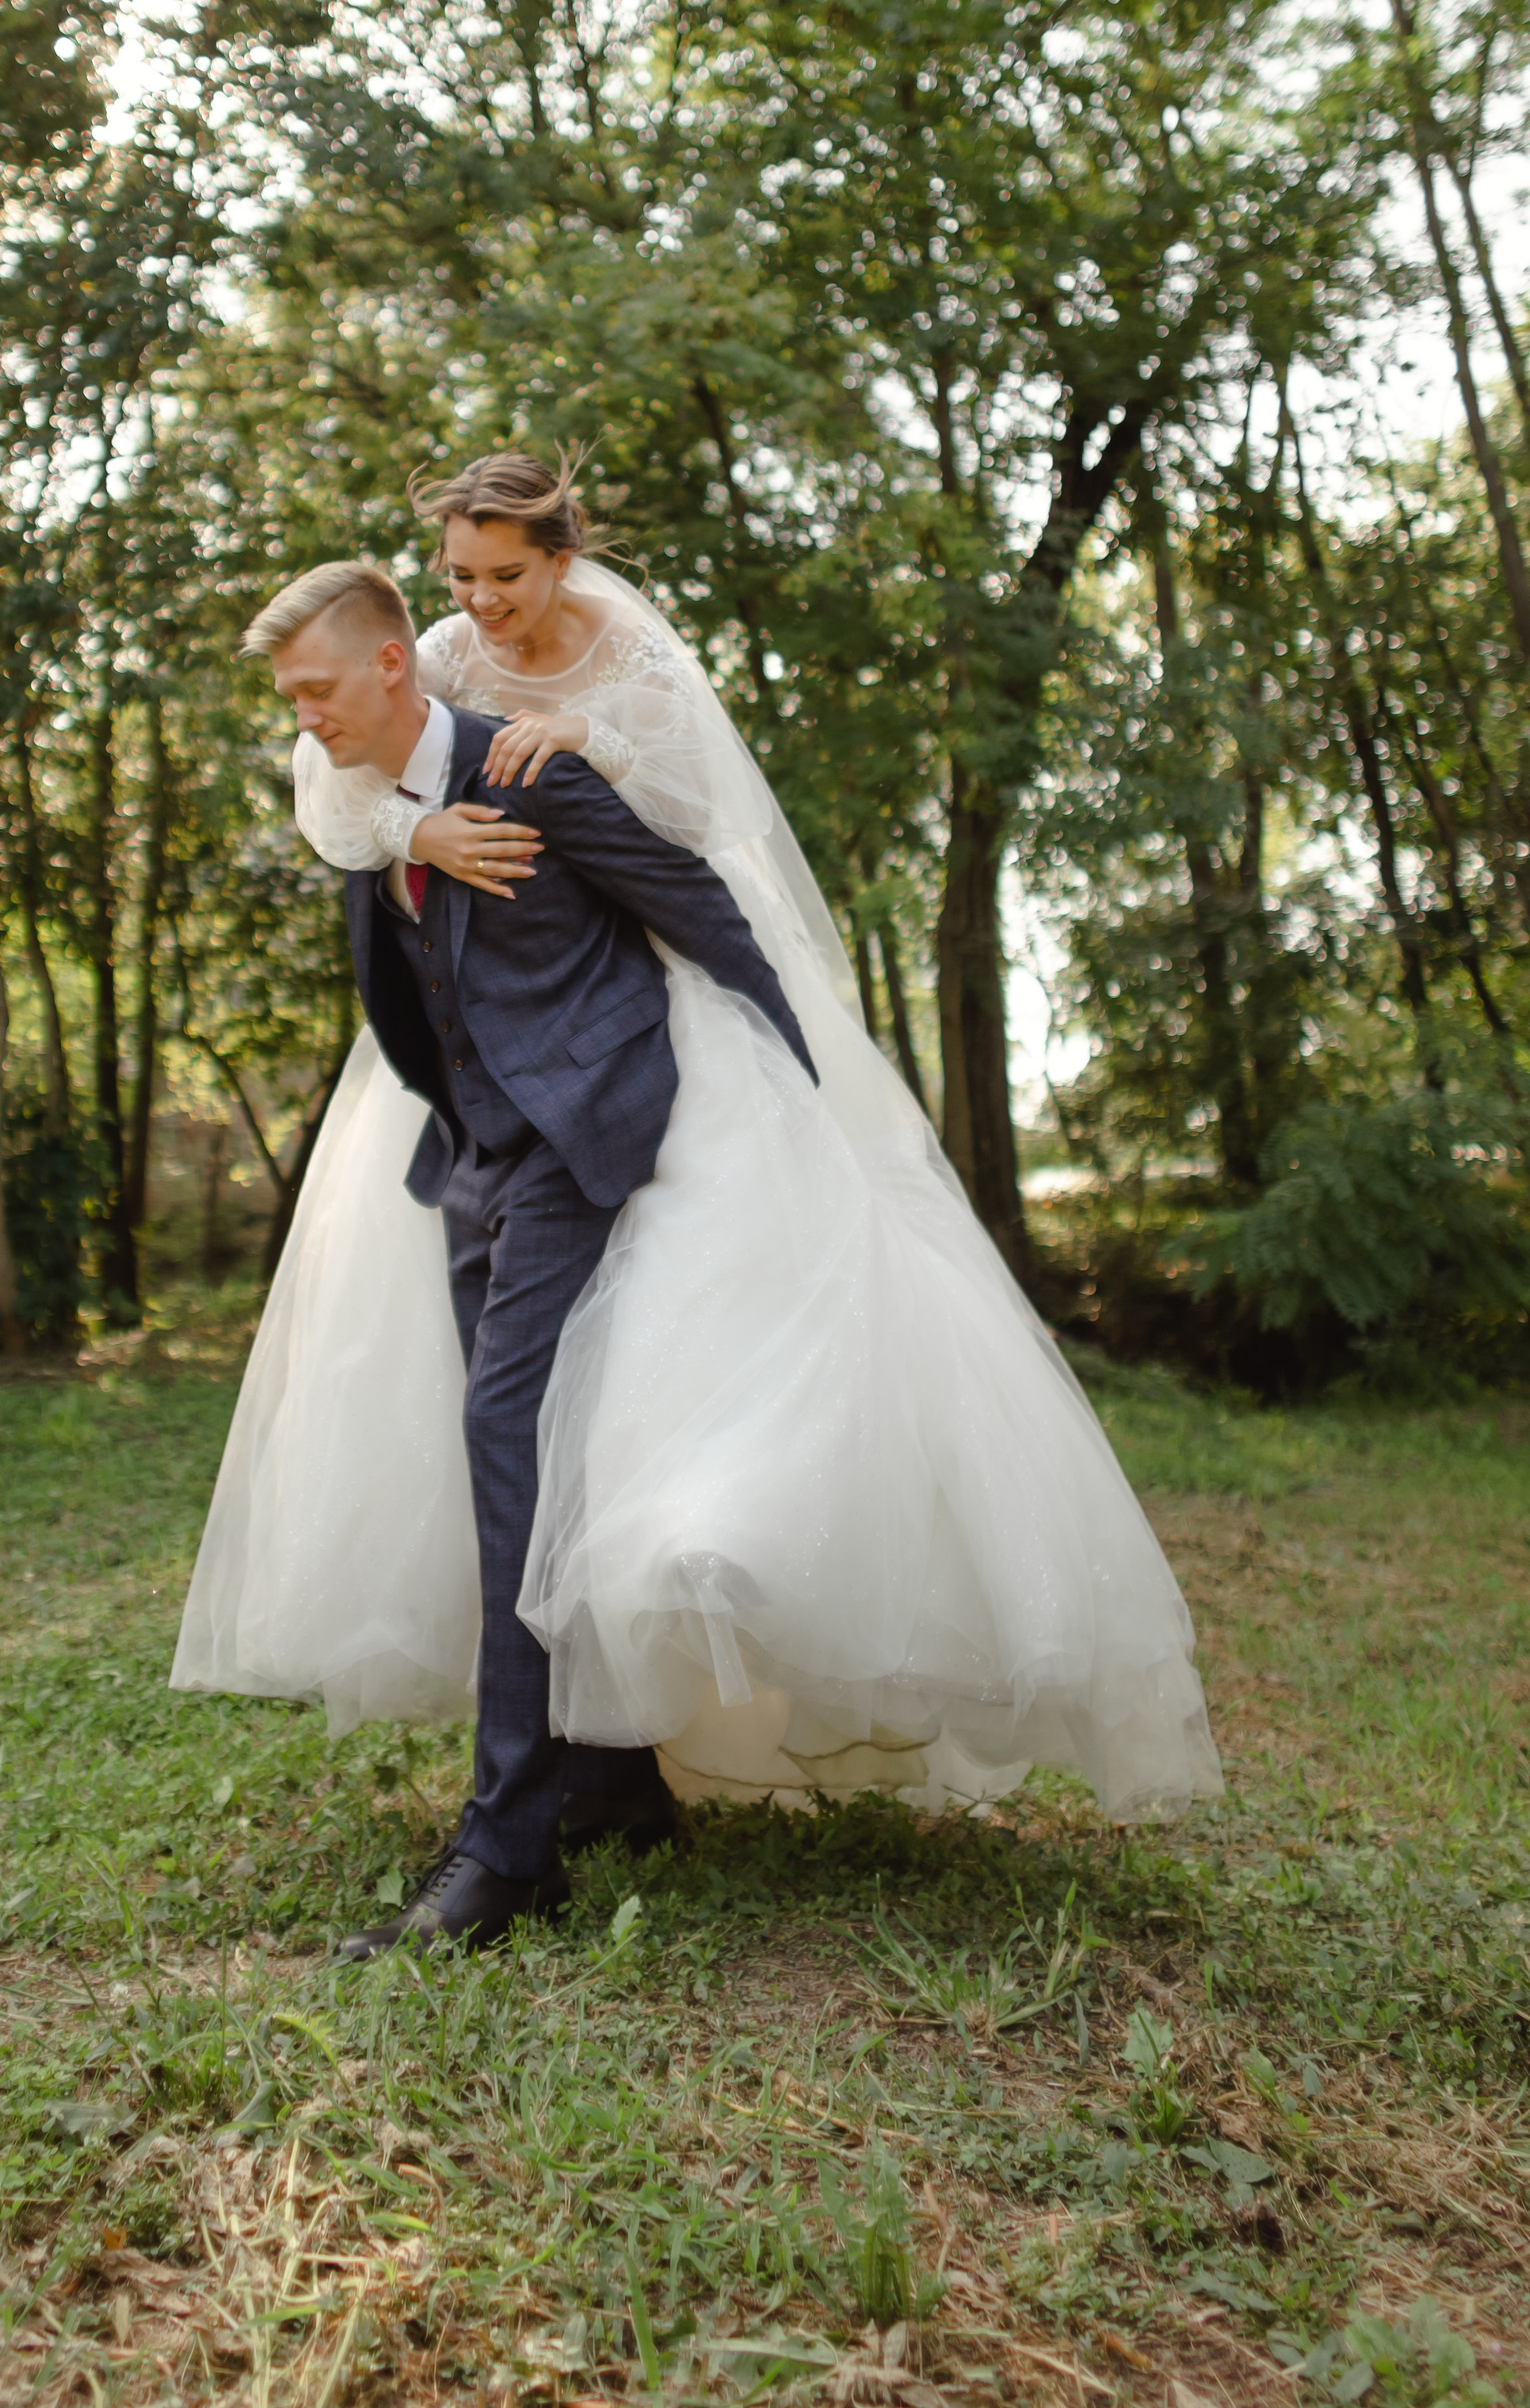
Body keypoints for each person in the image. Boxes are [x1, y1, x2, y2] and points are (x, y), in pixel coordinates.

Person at [170, 455, 1223, 1953]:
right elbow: (348, 802)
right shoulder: (383, 740)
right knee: (529, 1441)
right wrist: (417, 831)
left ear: (550, 564)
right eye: (460, 576)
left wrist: (813, 1093)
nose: (482, 600)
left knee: (511, 1436)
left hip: (594, 1105)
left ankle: (507, 1840)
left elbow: (705, 894)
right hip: (469, 1128)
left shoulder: (578, 726)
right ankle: (611, 1774)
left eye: (504, 577)